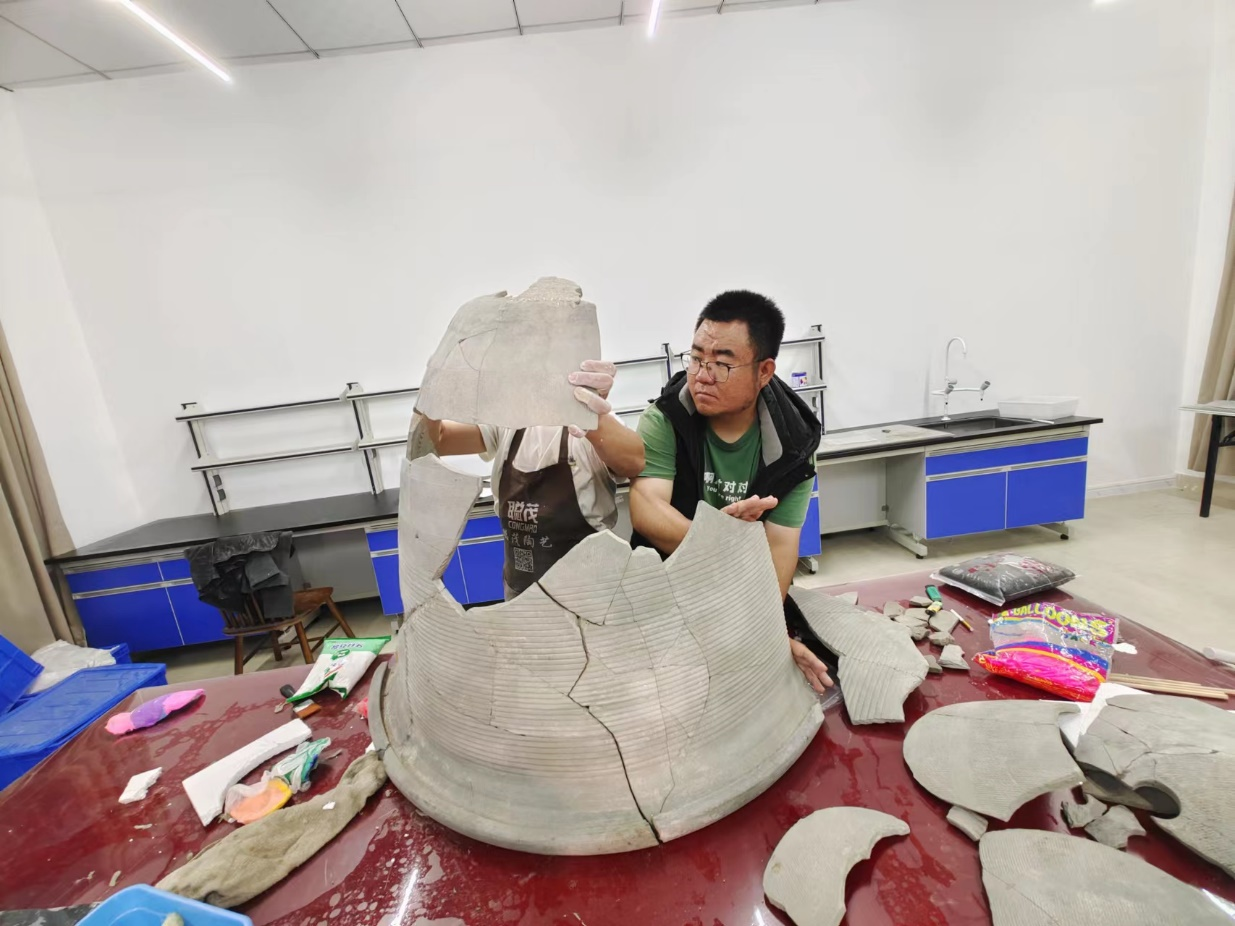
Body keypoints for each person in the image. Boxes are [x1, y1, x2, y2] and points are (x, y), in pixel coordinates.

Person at [629, 291, 833, 693]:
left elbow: (780, 548)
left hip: (739, 592)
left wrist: (766, 632)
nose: (702, 376)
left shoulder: (793, 445)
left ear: (764, 371)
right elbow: (647, 509)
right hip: (663, 588)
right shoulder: (666, 418)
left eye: (722, 364)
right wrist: (718, 539)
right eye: (695, 359)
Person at [420, 360, 645, 599]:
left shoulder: (590, 423)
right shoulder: (508, 423)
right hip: (521, 595)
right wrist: (433, 394)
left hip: (589, 595)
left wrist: (592, 418)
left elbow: (634, 461)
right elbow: (438, 440)